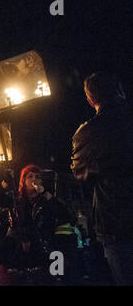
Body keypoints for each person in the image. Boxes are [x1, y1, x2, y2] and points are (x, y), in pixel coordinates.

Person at [71, 72, 133, 285]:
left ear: (90, 100)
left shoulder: (88, 133)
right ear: (120, 90)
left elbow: (79, 172)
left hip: (117, 221)